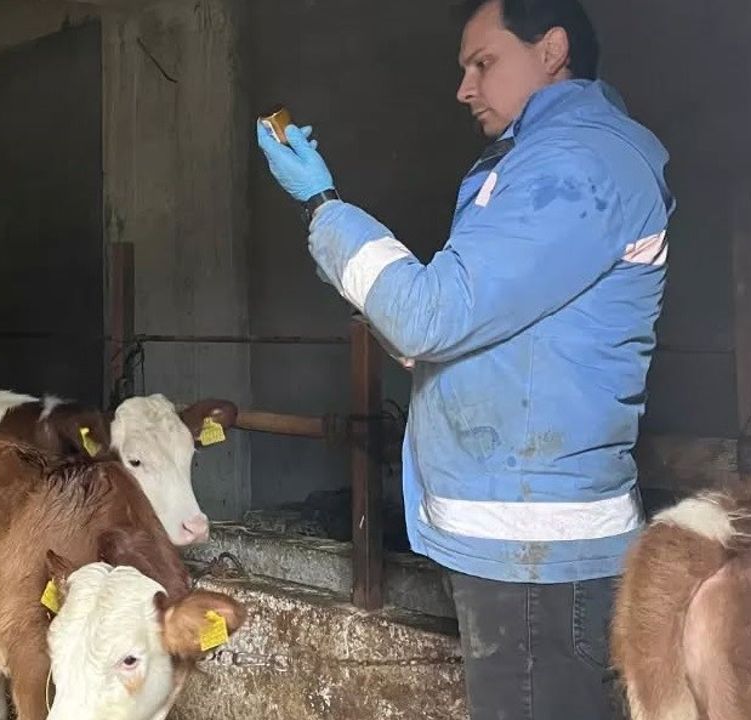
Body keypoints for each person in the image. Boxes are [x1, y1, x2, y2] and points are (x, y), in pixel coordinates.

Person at [256, 1, 674, 718]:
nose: (464, 88)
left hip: (537, 543)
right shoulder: (535, 161)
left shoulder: (578, 164)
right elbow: (444, 333)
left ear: (551, 50)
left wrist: (324, 205)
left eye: (483, 63)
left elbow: (428, 318)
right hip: (518, 534)